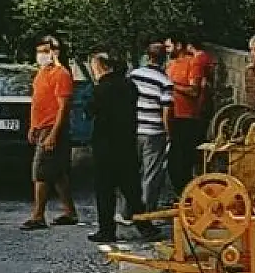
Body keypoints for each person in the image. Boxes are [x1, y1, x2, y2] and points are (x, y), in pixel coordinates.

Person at [86, 52, 162, 242]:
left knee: (105, 190)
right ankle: (145, 225)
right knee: (131, 188)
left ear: (103, 67)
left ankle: (107, 230)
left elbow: (90, 110)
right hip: (126, 142)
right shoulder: (129, 86)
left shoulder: (102, 89)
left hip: (105, 145)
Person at [20, 35, 79, 230]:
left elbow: (63, 107)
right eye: (39, 51)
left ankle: (38, 216)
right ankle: (70, 213)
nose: (41, 55)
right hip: (42, 128)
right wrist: (33, 126)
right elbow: (38, 101)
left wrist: (53, 133)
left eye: (45, 51)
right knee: (58, 173)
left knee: (41, 173)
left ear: (56, 51)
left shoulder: (61, 74)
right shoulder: (42, 72)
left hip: (53, 128)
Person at [129, 40, 173, 212]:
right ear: (165, 59)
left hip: (134, 129)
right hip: (154, 132)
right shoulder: (165, 82)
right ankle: (145, 212)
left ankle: (127, 210)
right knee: (151, 173)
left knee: (132, 171)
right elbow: (166, 110)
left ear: (147, 56)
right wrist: (169, 133)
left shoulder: (134, 75)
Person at [164, 33, 203, 194]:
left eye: (169, 46)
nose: (167, 50)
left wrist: (172, 86)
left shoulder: (193, 63)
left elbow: (194, 91)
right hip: (172, 116)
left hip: (187, 117)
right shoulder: (171, 64)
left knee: (184, 161)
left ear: (178, 45)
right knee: (173, 162)